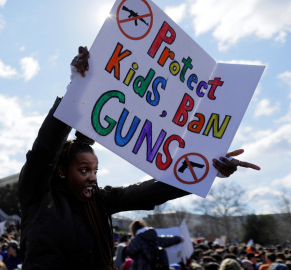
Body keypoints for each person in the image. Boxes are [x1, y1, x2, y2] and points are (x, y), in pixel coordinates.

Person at [18, 46, 261, 270]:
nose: (92, 178)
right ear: (61, 169)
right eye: (84, 170)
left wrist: (208, 167)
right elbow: (44, 150)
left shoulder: (101, 202)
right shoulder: (37, 196)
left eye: (95, 171)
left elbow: (151, 191)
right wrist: (77, 88)